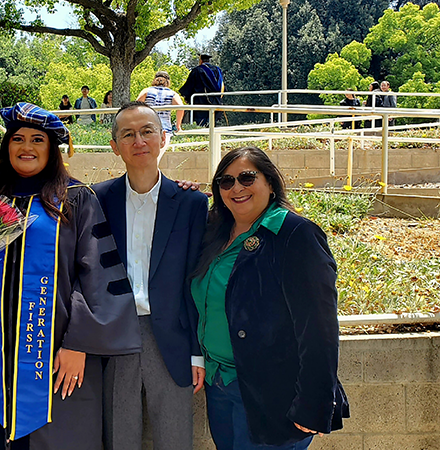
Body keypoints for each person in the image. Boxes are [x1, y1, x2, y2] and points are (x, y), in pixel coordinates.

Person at [0, 102, 142, 450]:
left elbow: (97, 275)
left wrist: (78, 343)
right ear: (6, 146)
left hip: (56, 352)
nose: (26, 147)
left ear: (51, 149)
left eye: (37, 139)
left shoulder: (75, 198)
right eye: (18, 139)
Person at [190, 146, 349, 450]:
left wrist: (314, 400)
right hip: (220, 385)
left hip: (273, 393)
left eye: (247, 178)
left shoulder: (294, 234)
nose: (236, 187)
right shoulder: (215, 233)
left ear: (271, 183)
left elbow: (319, 327)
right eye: (225, 182)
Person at [94, 101, 208, 450]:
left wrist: (196, 351)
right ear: (115, 147)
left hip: (172, 339)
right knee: (119, 438)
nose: (138, 140)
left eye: (147, 131)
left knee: (175, 439)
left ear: (163, 138)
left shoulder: (191, 203)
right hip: (116, 338)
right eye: (128, 134)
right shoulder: (97, 199)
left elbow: (195, 281)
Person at [137, 70, 185, 147]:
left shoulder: (146, 91)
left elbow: (136, 106)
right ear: (168, 81)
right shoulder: (172, 93)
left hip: (147, 127)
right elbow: (180, 107)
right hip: (165, 129)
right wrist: (178, 126)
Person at [179, 54, 224, 127]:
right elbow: (222, 85)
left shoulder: (198, 70)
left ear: (201, 60)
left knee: (200, 122)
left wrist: (186, 97)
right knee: (212, 122)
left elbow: (190, 85)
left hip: (200, 100)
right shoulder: (218, 70)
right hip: (216, 101)